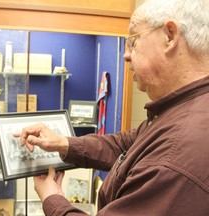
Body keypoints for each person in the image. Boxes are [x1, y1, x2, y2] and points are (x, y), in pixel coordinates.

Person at [14, 0, 209, 215]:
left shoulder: (177, 154)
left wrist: (53, 200)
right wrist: (62, 143)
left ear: (170, 36)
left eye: (133, 41)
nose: (126, 55)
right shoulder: (180, 110)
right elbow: (124, 146)